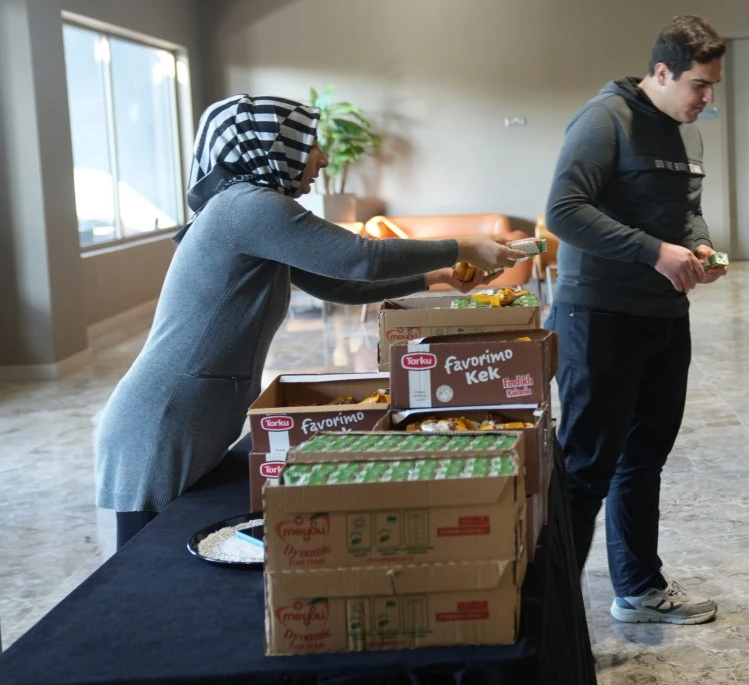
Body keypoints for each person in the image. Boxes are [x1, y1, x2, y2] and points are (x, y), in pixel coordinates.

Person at [96, 95, 523, 547]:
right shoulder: (248, 207)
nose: (321, 158)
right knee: (148, 566)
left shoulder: (251, 207)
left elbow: (339, 284)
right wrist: (461, 246)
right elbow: (361, 258)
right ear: (271, 148)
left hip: (188, 417)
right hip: (162, 421)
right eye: (309, 144)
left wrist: (434, 277)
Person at [545, 14, 728, 625]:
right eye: (699, 84)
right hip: (598, 316)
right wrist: (653, 252)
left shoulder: (688, 134)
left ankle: (638, 588)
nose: (707, 98)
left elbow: (688, 211)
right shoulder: (605, 119)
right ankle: (552, 614)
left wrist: (700, 247)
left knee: (644, 458)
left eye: (713, 86)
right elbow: (564, 211)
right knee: (586, 468)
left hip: (664, 317)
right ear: (662, 72)